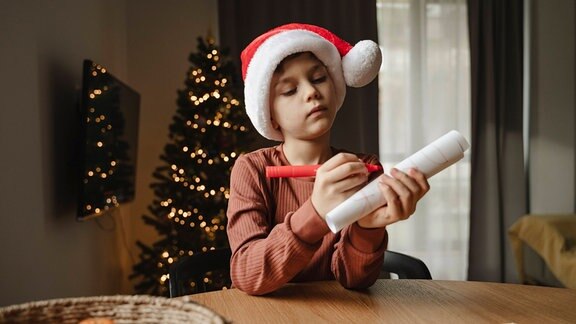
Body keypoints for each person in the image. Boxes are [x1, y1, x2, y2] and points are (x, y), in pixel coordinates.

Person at [227, 23, 430, 295]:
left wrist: (367, 229)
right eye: (289, 90)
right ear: (269, 113)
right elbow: (247, 274)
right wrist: (315, 212)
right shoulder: (252, 169)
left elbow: (354, 280)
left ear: (335, 88)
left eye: (319, 78)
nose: (311, 92)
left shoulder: (362, 168)